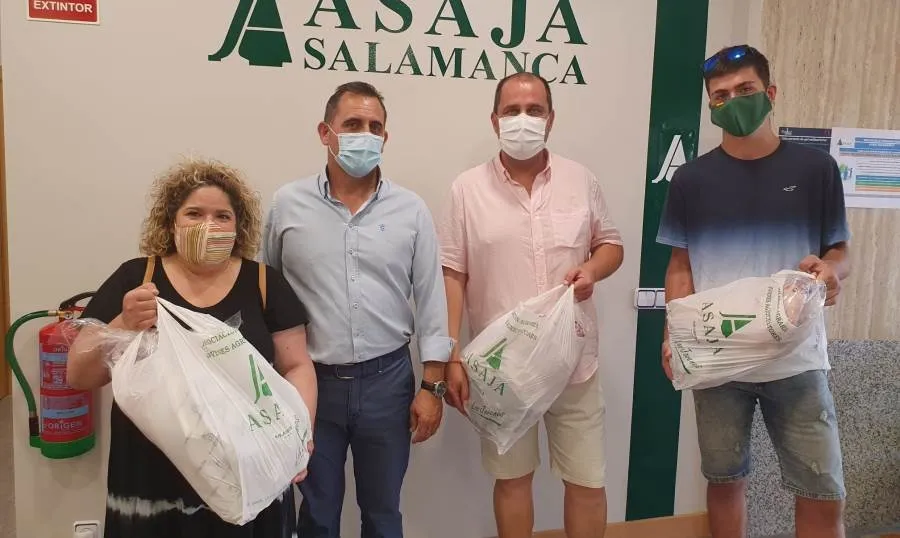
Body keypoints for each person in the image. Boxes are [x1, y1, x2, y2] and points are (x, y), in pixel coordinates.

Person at [67, 158, 318, 538]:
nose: (208, 226)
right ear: (172, 222)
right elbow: (79, 375)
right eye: (194, 214)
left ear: (239, 226)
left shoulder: (264, 283)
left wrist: (300, 437)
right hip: (152, 473)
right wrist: (123, 324)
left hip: (245, 469)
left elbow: (297, 366)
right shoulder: (136, 278)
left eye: (222, 216)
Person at [658, 45, 850, 538]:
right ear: (709, 105)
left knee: (821, 487)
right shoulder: (690, 179)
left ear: (770, 93)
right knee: (724, 480)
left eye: (744, 90)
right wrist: (672, 337)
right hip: (717, 360)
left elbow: (841, 254)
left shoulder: (816, 171)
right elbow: (680, 265)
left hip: (798, 360)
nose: (732, 102)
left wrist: (829, 272)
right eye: (719, 96)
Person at [261, 81, 453, 538]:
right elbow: (265, 292)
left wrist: (433, 385)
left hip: (387, 383)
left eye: (374, 126)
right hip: (312, 385)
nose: (364, 135)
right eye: (352, 124)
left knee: (384, 512)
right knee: (318, 513)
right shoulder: (287, 205)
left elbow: (431, 298)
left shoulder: (411, 210)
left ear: (385, 138)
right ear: (325, 132)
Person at [439, 72, 624, 538]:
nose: (523, 119)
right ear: (495, 119)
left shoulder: (581, 179)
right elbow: (452, 274)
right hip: (503, 370)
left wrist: (593, 270)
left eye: (534, 110)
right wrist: (452, 355)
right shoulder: (466, 189)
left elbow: (611, 245)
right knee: (512, 479)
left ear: (551, 118)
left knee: (586, 480)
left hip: (574, 363)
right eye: (512, 110)